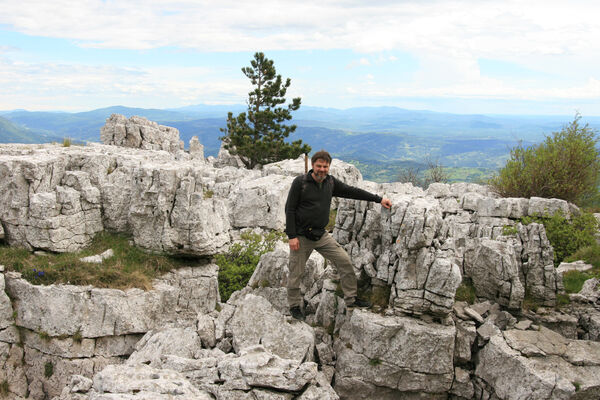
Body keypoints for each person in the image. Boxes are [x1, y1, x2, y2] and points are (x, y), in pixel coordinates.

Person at [284, 150, 392, 320]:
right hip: (301, 236)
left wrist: (378, 199)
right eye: (319, 166)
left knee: (344, 261)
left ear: (329, 167)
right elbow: (289, 209)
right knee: (295, 273)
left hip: (321, 235)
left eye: (325, 166)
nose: (322, 169)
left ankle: (351, 299)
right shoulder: (301, 183)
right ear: (313, 166)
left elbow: (352, 191)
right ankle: (294, 306)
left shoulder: (330, 183)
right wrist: (292, 236)